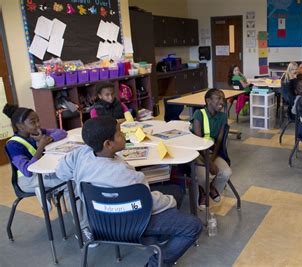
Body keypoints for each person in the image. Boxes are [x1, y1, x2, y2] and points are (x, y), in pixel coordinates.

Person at [55, 116, 202, 266]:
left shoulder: (82, 153)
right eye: (119, 133)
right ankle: (155, 263)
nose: (124, 135)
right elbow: (149, 203)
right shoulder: (124, 174)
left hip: (98, 221)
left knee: (173, 192)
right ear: (108, 144)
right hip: (129, 223)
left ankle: (156, 237)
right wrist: (171, 201)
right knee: (192, 224)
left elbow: (61, 171)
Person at [3, 103, 67, 209]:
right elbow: (27, 171)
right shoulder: (13, 145)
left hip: (42, 174)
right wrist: (41, 146)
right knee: (67, 182)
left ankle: (45, 191)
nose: (38, 124)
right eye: (33, 122)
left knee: (69, 175)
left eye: (38, 120)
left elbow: (62, 132)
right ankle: (83, 224)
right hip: (27, 180)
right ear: (20, 126)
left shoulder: (36, 133)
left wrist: (49, 139)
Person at [192, 89, 232, 210]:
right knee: (204, 176)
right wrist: (209, 163)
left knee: (226, 173)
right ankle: (209, 189)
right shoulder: (199, 114)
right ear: (208, 101)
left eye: (223, 99)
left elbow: (218, 141)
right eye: (218, 98)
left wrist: (213, 159)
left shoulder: (223, 117)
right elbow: (199, 142)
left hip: (211, 152)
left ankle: (206, 192)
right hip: (198, 153)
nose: (222, 101)